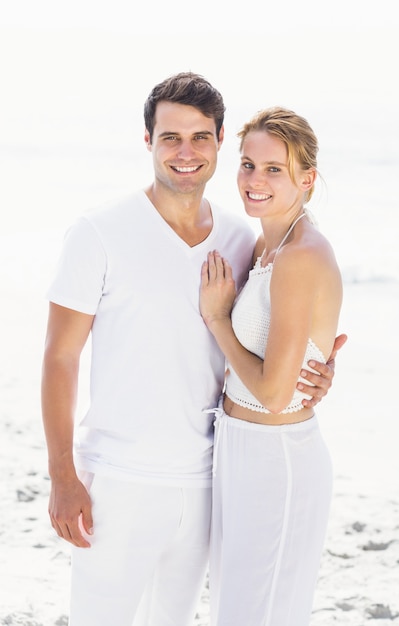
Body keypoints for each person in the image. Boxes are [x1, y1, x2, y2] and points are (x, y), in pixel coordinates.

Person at [41, 73, 345, 626]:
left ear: (219, 140)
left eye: (200, 137)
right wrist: (63, 475)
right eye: (170, 137)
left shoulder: (242, 236)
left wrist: (317, 370)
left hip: (210, 478)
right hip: (119, 480)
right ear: (147, 141)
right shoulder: (99, 232)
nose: (185, 152)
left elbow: (274, 333)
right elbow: (60, 357)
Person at [199, 105, 343, 626]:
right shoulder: (268, 240)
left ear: (307, 178)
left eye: (273, 169)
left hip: (277, 458)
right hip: (240, 448)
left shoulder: (301, 255)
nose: (254, 181)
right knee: (237, 610)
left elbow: (276, 393)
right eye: (247, 164)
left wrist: (217, 319)